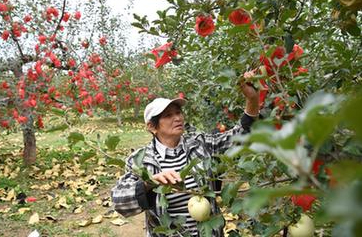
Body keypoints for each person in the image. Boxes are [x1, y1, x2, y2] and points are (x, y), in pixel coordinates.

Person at [111, 82, 260, 237]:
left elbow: (241, 135)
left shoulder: (200, 144)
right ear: (152, 127)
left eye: (178, 112)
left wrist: (253, 99)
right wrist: (149, 183)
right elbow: (120, 202)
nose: (177, 118)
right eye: (168, 115)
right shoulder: (141, 160)